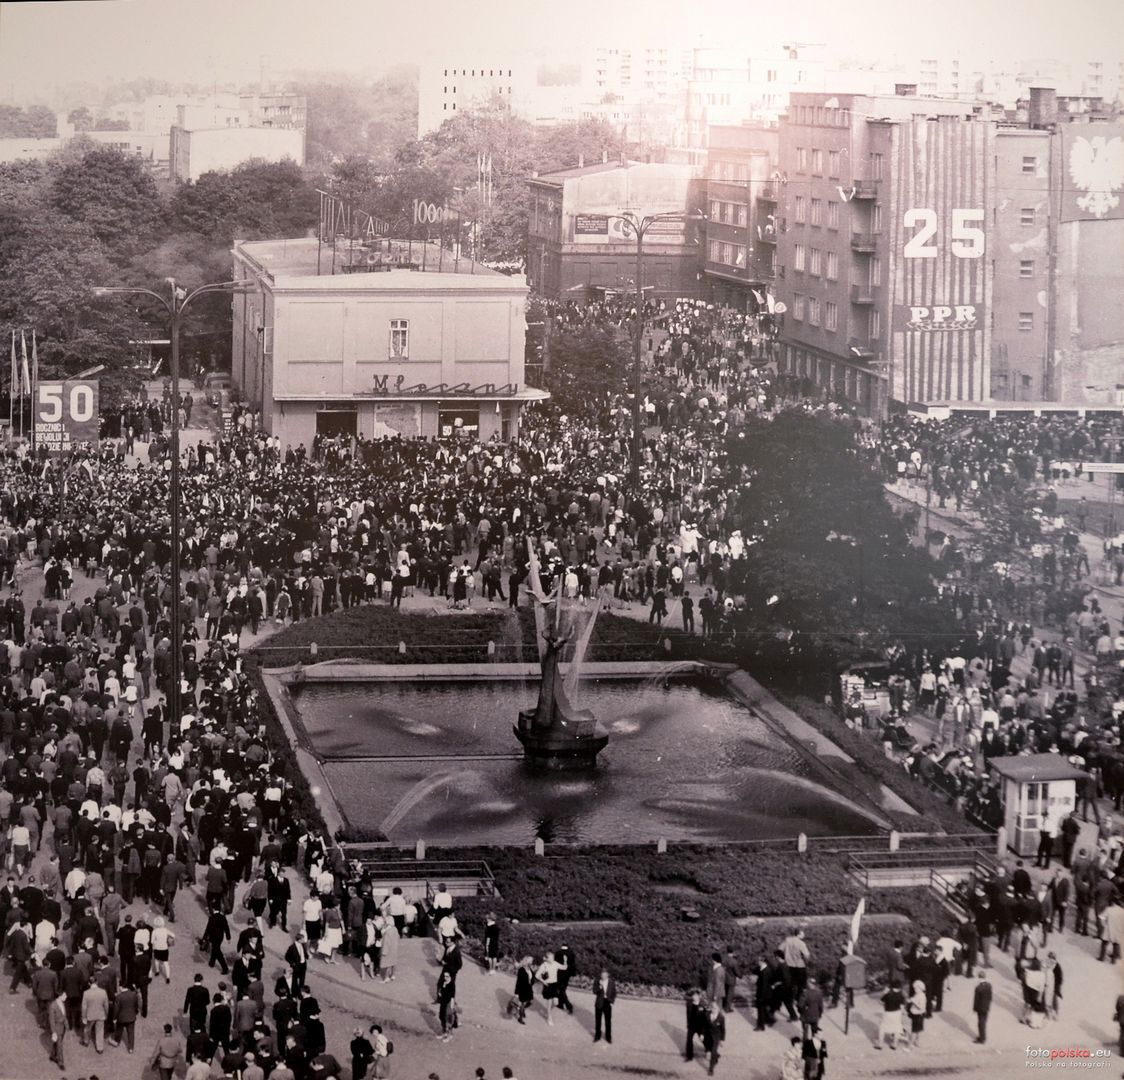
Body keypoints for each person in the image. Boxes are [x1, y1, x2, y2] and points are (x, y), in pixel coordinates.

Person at [875, 981, 904, 1050]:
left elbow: (880, 1001)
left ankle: (880, 1045)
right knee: (897, 1028)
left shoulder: (888, 994)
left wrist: (884, 993)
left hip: (888, 1013)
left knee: (882, 1028)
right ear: (899, 987)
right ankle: (894, 1045)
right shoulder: (901, 995)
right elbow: (902, 1007)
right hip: (897, 1013)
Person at [702, 999, 725, 1076]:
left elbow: (723, 1029)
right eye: (712, 1007)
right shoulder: (707, 1014)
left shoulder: (721, 1017)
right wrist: (702, 1034)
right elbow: (704, 1026)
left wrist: (722, 1039)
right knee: (709, 1049)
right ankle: (716, 1057)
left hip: (716, 1037)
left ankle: (711, 1069)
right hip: (708, 1036)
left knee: (713, 1051)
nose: (713, 1009)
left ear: (718, 1009)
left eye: (715, 1008)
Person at [48, 988, 68, 1070]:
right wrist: (54, 1032)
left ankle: (53, 1055)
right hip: (57, 1028)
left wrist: (66, 1024)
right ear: (60, 996)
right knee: (60, 1045)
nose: (66, 996)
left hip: (63, 1027)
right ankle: (61, 1063)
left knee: (57, 1042)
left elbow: (64, 1015)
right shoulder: (53, 1006)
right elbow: (51, 1020)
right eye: (64, 995)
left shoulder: (62, 1003)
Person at [593, 968, 615, 1044]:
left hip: (607, 1003)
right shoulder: (597, 981)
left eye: (605, 974)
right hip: (599, 1003)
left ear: (608, 975)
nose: (603, 976)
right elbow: (594, 991)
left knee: (608, 1021)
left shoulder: (611, 982)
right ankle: (597, 1036)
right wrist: (600, 986)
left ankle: (608, 1037)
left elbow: (614, 993)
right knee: (598, 1021)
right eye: (602, 974)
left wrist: (612, 1001)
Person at [513, 956, 534, 1024]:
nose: (532, 962)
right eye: (531, 961)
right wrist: (516, 992)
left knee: (530, 1002)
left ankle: (521, 1009)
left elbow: (532, 978)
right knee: (523, 1003)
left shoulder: (529, 968)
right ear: (527, 961)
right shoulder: (521, 970)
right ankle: (520, 1018)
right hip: (522, 989)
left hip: (529, 988)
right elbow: (518, 982)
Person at [906, 979, 927, 1048]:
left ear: (921, 988)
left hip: (918, 1015)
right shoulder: (917, 994)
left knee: (914, 1031)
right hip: (915, 1014)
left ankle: (909, 1046)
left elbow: (921, 1007)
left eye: (916, 988)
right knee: (917, 1029)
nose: (915, 989)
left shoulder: (922, 996)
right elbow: (913, 1000)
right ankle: (917, 1042)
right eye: (914, 988)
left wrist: (913, 1001)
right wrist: (909, 1000)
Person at [972, 973, 992, 1044]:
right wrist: (988, 1005)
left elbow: (976, 1000)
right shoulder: (989, 985)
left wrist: (974, 1008)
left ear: (979, 978)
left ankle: (982, 1038)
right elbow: (990, 997)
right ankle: (982, 1036)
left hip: (980, 1008)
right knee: (983, 1022)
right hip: (986, 1007)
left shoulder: (978, 988)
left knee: (981, 1023)